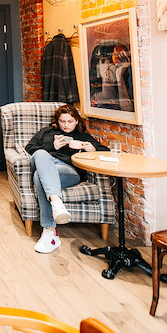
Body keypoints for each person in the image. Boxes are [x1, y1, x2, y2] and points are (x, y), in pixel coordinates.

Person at [25, 104, 108, 253]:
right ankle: (56, 205)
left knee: (39, 177)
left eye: (70, 121)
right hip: (45, 163)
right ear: (57, 120)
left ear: (77, 121)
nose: (66, 125)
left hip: (67, 171)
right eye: (62, 121)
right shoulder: (47, 132)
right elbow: (29, 148)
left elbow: (106, 151)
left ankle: (50, 232)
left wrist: (93, 149)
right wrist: (52, 147)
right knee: (41, 154)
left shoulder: (84, 137)